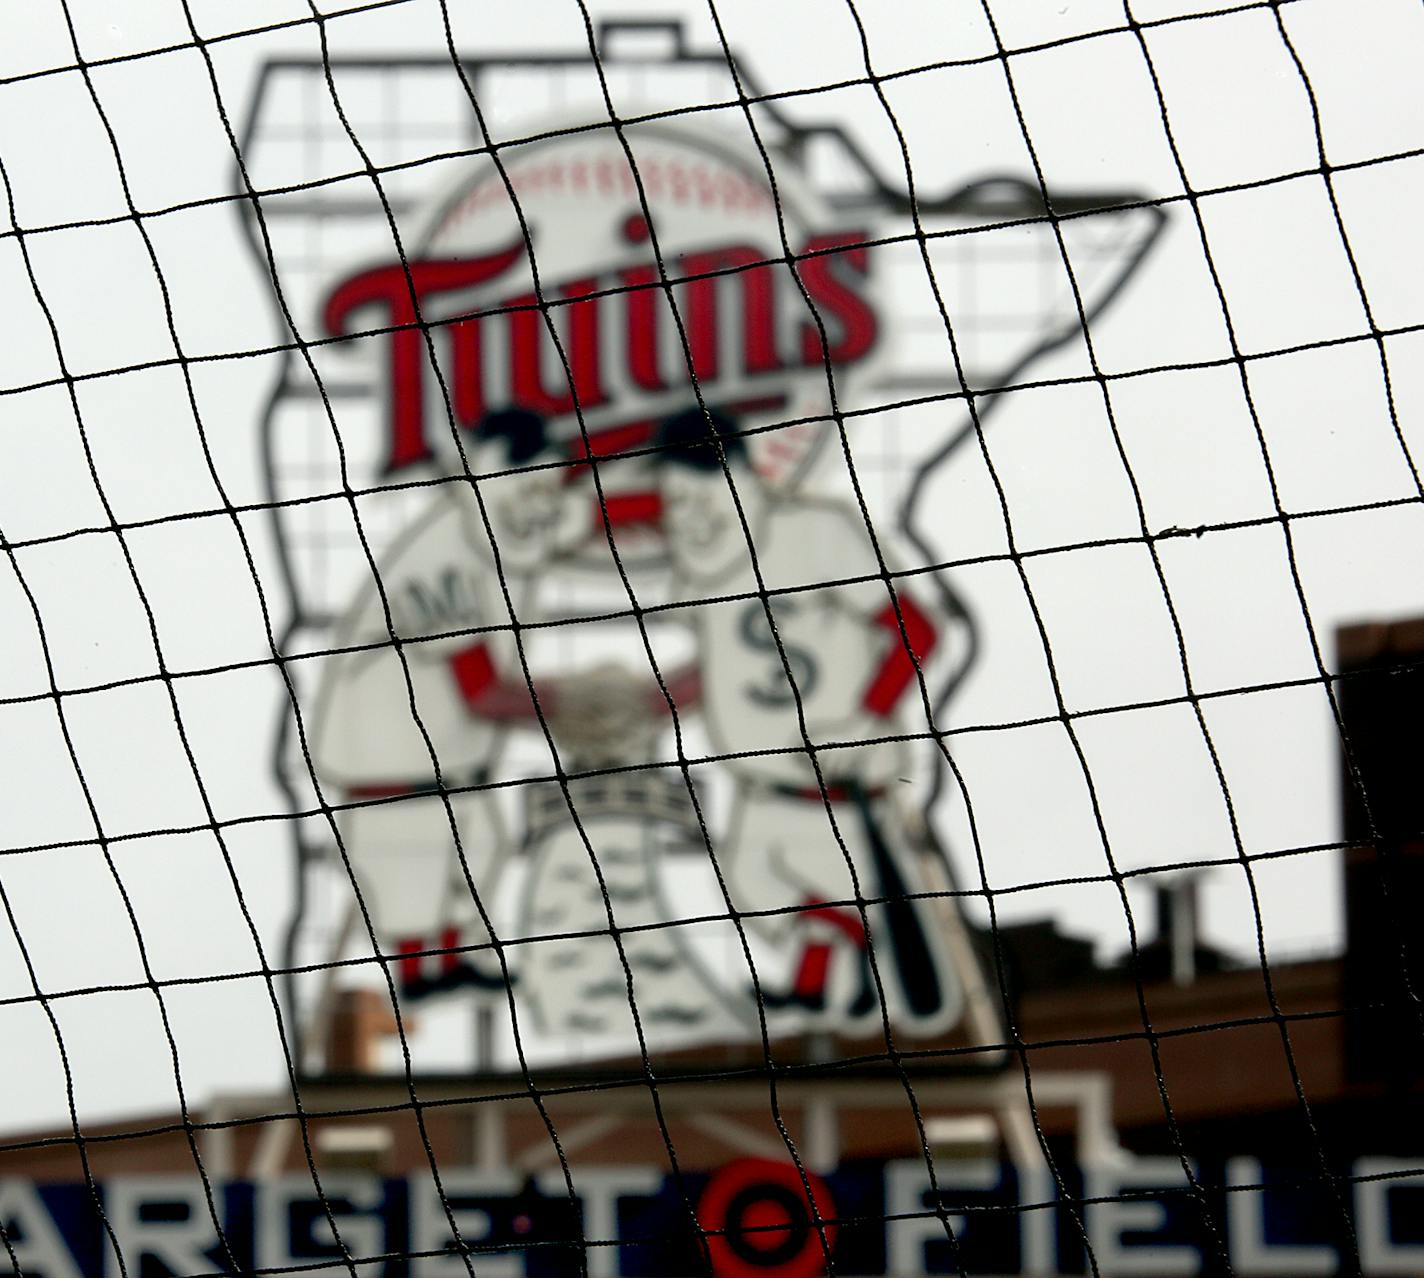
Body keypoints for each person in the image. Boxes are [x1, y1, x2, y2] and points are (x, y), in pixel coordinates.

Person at [654, 406, 968, 1036]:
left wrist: (866, 717)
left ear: (738, 477)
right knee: (752, 883)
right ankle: (837, 988)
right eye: (675, 503)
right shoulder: (703, 569)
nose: (687, 517)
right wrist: (640, 706)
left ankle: (826, 988)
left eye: (696, 497)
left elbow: (917, 629)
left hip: (835, 783)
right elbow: (721, 667)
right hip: (757, 785)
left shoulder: (818, 533)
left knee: (827, 889)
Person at [310, 409, 585, 1002]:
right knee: (412, 872)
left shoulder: (495, 548)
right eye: (529, 486)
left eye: (549, 488)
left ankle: (453, 959)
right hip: (389, 773)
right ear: (487, 475)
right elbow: (481, 690)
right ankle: (419, 973)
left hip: (450, 771)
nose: (541, 505)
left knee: (480, 847)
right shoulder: (442, 555)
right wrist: (580, 706)